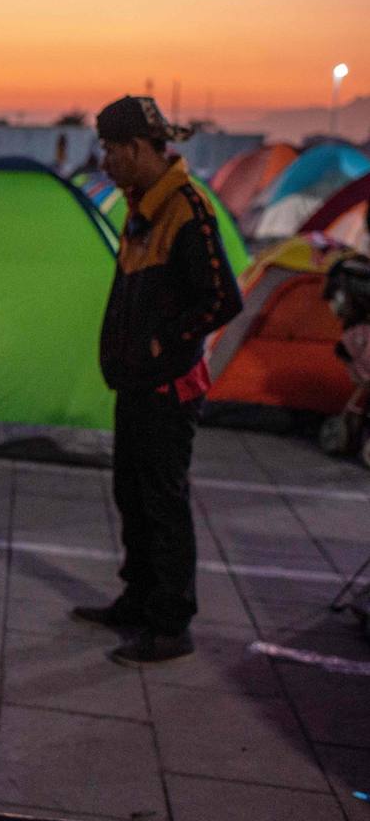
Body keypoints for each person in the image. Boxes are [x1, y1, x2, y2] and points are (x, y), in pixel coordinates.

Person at [73, 96, 242, 666]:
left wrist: (160, 344)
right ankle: (139, 598)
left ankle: (172, 624)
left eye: (112, 150)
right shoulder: (143, 204)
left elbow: (223, 299)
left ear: (141, 149)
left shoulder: (187, 210)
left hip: (167, 387)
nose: (105, 162)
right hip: (136, 383)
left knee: (163, 503)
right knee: (132, 495)